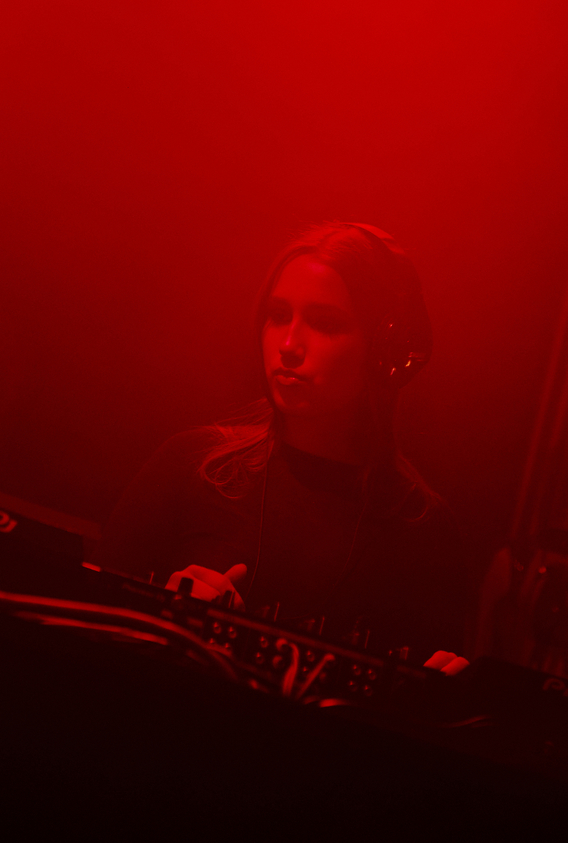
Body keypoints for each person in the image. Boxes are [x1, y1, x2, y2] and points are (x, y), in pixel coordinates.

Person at [103, 221, 471, 671]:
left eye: (325, 323)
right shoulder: (190, 466)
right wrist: (166, 618)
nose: (289, 344)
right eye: (278, 315)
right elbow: (80, 629)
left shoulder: (424, 532)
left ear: (386, 350)